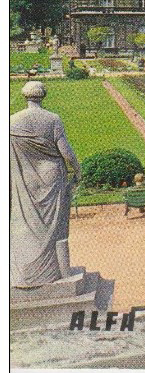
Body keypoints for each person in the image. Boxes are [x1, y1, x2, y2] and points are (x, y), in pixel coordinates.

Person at [11, 81, 81, 287]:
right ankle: (59, 271)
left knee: (25, 223)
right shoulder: (52, 119)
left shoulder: (12, 121)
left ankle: (26, 272)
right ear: (43, 95)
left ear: (25, 96)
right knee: (57, 225)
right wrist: (77, 170)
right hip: (52, 176)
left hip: (24, 178)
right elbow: (66, 152)